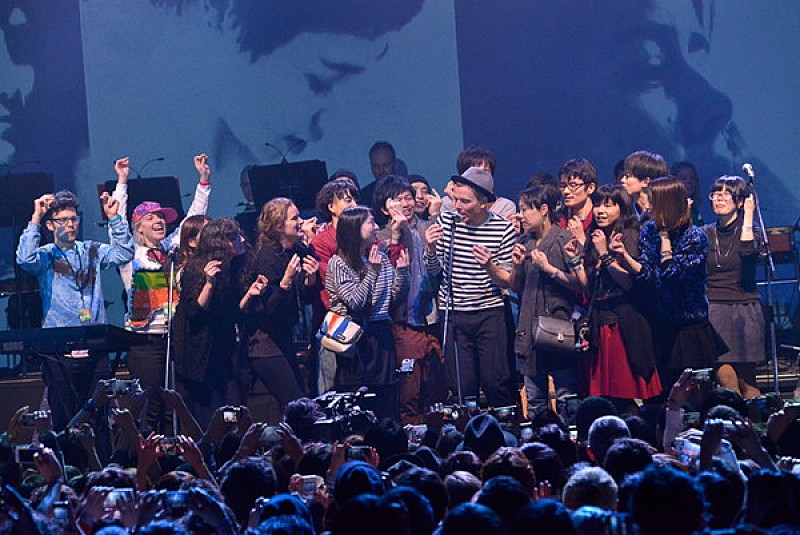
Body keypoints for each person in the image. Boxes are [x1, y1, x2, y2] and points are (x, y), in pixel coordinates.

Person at [15, 189, 134, 429]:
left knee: (98, 413)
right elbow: (25, 259)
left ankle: (99, 451)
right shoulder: (46, 255)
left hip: (94, 343)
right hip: (59, 346)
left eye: (73, 219)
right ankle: (66, 453)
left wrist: (114, 219)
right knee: (64, 414)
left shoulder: (91, 250)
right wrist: (35, 218)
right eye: (63, 220)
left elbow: (124, 253)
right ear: (50, 225)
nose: (70, 225)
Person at [113, 155, 211, 432]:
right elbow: (117, 223)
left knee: (174, 404)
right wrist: (122, 181)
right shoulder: (129, 254)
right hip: (144, 342)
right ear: (138, 225)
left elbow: (192, 222)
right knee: (149, 404)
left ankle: (173, 451)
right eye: (151, 217)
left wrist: (203, 182)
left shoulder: (170, 250)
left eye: (162, 217)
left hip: (173, 337)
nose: (159, 221)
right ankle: (143, 450)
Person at [611, 176, 724, 390]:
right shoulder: (649, 231)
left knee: (695, 392)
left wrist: (665, 242)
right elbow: (647, 275)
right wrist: (624, 255)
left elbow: (671, 275)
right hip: (661, 323)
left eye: (653, 201)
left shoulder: (694, 236)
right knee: (665, 391)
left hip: (689, 326)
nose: (649, 206)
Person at [425, 166, 517, 407]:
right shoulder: (447, 221)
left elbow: (507, 280)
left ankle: (505, 426)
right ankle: (465, 428)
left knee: (495, 382)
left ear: (484, 202)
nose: (458, 207)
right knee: (462, 386)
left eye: (465, 202)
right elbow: (434, 271)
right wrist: (430, 249)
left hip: (489, 312)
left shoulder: (502, 228)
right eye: (456, 200)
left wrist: (489, 266)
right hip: (454, 312)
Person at [566, 185, 662, 406]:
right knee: (605, 397)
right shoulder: (596, 235)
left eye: (608, 206)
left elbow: (628, 284)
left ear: (622, 208)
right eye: (598, 205)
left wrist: (605, 253)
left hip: (623, 323)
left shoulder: (629, 235)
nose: (601, 211)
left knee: (626, 393)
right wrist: (576, 261)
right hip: (600, 322)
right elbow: (590, 288)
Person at [374, 175, 446, 424]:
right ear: (385, 208)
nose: (405, 204)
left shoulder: (427, 227)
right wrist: (399, 232)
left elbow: (438, 270)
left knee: (436, 386)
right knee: (410, 388)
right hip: (403, 321)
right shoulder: (381, 236)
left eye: (408, 198)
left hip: (432, 316)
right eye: (398, 200)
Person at [325, 205, 409, 417]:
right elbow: (356, 302)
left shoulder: (379, 257)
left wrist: (402, 273)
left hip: (382, 333)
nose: (377, 227)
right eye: (371, 222)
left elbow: (392, 300)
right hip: (357, 338)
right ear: (355, 229)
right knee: (362, 402)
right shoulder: (339, 263)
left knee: (387, 398)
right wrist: (372, 271)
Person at [172, 218, 254, 426]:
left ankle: (230, 437)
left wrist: (250, 294)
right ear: (220, 242)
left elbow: (233, 312)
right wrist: (209, 284)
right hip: (201, 353)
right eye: (234, 237)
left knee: (232, 408)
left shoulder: (232, 268)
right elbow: (194, 313)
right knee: (211, 411)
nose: (242, 240)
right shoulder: (196, 268)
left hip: (223, 349)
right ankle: (212, 443)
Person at [243, 197, 321, 413]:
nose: (300, 222)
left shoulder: (296, 251)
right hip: (264, 343)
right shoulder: (268, 258)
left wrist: (311, 279)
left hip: (283, 337)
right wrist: (285, 283)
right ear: (278, 226)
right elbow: (267, 309)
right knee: (295, 402)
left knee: (298, 403)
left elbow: (306, 298)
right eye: (294, 218)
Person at [510, 185, 579, 412]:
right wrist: (517, 266)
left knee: (566, 398)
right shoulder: (524, 242)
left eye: (525, 209)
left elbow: (579, 284)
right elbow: (515, 286)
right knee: (535, 401)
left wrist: (548, 269)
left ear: (543, 210)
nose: (521, 215)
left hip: (559, 329)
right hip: (529, 329)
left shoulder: (564, 238)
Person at [703, 175, 764, 398]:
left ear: (739, 201)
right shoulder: (706, 232)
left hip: (744, 308)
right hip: (715, 307)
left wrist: (748, 215)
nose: (719, 198)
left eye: (726, 194)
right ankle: (732, 413)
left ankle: (754, 418)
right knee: (725, 374)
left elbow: (748, 252)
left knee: (747, 380)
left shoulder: (751, 230)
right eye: (715, 194)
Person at [310, 179, 359, 394]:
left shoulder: (364, 235)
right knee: (331, 387)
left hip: (362, 319)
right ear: (331, 207)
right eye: (347, 200)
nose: (353, 204)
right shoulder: (322, 242)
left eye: (354, 199)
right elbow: (330, 279)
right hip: (334, 321)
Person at [557, 159, 598, 247]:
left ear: (590, 188)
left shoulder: (600, 219)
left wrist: (582, 239)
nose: (566, 191)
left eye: (573, 185)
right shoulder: (558, 219)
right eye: (563, 186)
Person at [621, 151, 668, 223]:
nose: (622, 180)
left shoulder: (663, 215)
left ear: (645, 182)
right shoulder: (627, 212)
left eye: (628, 176)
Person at [672, 161, 704, 226]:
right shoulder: (670, 209)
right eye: (684, 178)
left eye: (692, 178)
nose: (689, 182)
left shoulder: (694, 210)